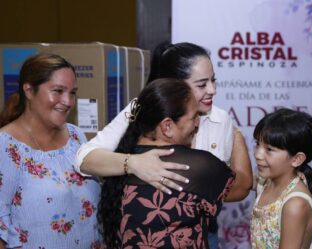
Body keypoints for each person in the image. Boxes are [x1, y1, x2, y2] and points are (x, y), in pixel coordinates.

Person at [75, 42, 253, 248]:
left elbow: (234, 187)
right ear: (174, 85)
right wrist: (132, 163)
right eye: (202, 84)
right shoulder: (141, 108)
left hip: (201, 232)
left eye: (213, 81)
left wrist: (236, 135)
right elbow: (84, 158)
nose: (212, 90)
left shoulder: (220, 119)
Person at [99, 78, 236, 248]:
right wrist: (234, 131)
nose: (197, 122)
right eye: (193, 117)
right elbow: (244, 185)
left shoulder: (115, 162)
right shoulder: (201, 167)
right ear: (167, 127)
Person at [0, 54, 103, 248]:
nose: (67, 101)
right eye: (58, 91)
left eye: (72, 93)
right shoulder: (5, 146)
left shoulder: (75, 137)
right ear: (29, 90)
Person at [250, 108, 312, 249]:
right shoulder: (267, 181)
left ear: (296, 159)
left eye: (269, 149)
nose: (258, 154)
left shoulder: (295, 205)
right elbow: (240, 181)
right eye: (257, 144)